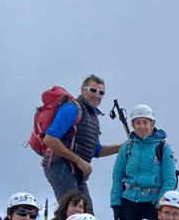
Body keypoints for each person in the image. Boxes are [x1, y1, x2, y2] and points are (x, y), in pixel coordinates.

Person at [41, 74, 122, 208]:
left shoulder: (93, 116)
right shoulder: (72, 108)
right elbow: (50, 139)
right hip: (61, 167)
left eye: (102, 93)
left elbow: (95, 150)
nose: (97, 95)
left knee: (87, 217)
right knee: (73, 212)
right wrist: (79, 161)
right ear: (83, 90)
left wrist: (120, 147)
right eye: (93, 90)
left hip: (77, 171)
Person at [110, 104, 178, 220]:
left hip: (153, 203)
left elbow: (170, 180)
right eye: (138, 122)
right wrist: (116, 204)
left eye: (145, 122)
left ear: (152, 124)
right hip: (129, 201)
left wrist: (160, 205)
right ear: (133, 125)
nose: (142, 126)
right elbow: (117, 177)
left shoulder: (163, 147)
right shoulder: (127, 147)